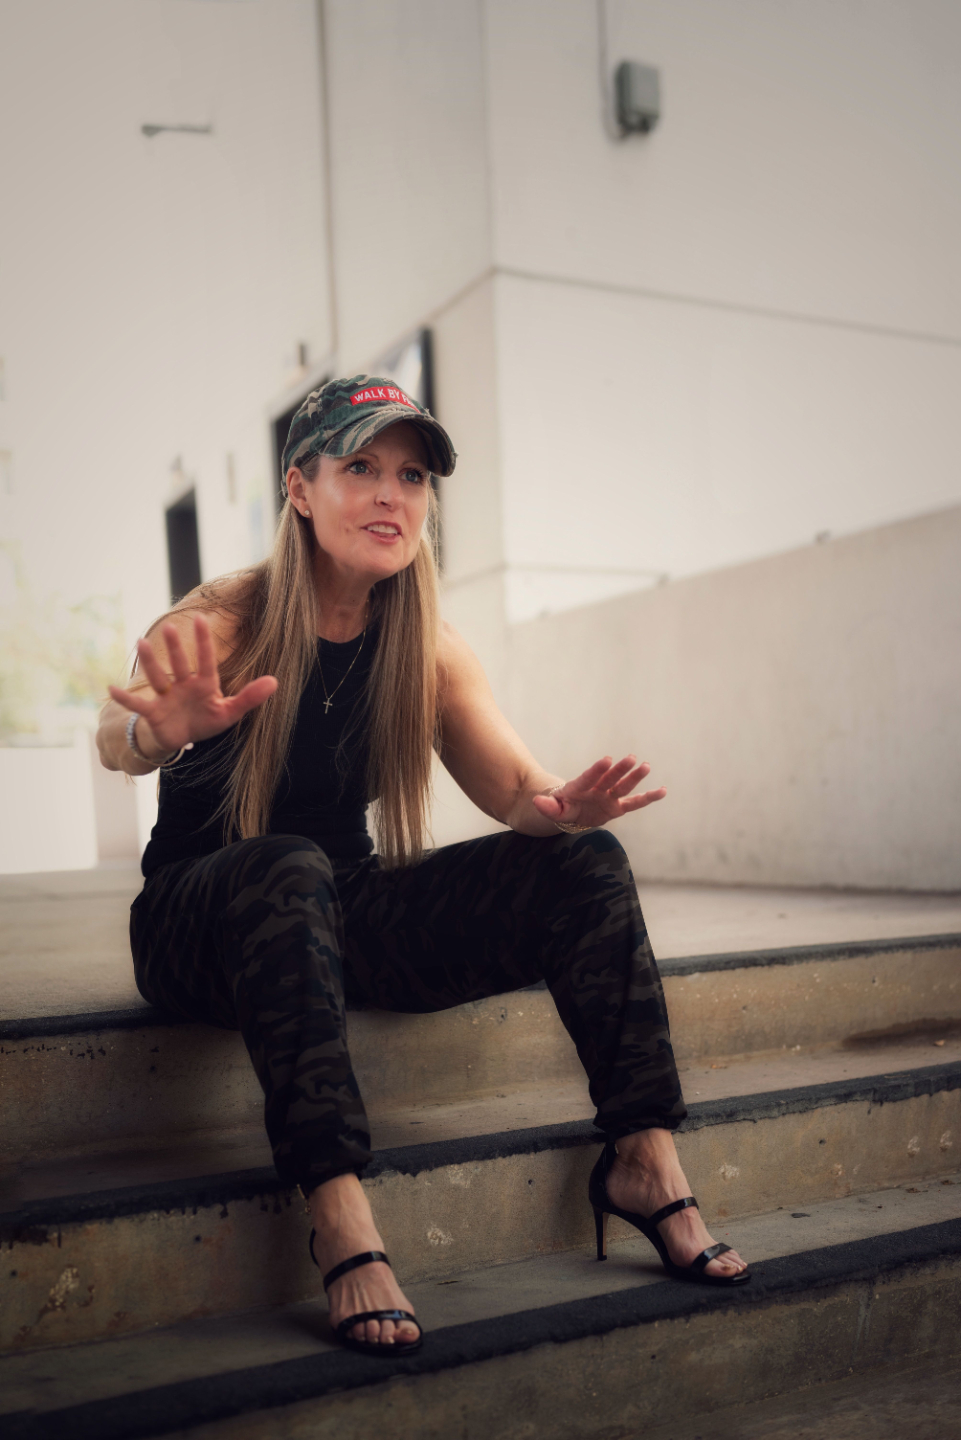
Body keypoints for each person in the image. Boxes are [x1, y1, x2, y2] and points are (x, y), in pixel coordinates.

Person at [96, 376, 749, 1357]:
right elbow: (115, 734)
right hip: (201, 916)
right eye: (360, 466)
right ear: (300, 487)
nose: (389, 494)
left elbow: (515, 786)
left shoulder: (426, 645)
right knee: (288, 867)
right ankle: (339, 1213)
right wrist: (160, 733)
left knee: (584, 861)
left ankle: (644, 1159)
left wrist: (559, 807)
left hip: (341, 910)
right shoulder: (228, 614)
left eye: (410, 475)